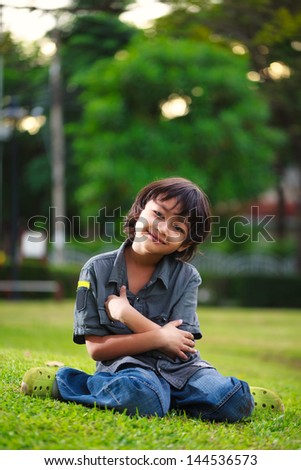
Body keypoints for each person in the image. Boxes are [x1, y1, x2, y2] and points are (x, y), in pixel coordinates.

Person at [21, 177, 284, 421]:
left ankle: (198, 394)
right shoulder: (96, 270)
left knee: (233, 400)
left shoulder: (187, 277)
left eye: (177, 226)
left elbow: (179, 345)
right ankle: (67, 382)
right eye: (158, 214)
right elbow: (97, 349)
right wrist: (160, 337)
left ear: (183, 243)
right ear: (139, 213)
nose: (162, 227)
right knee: (144, 399)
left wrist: (127, 315)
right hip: (127, 369)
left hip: (182, 370)